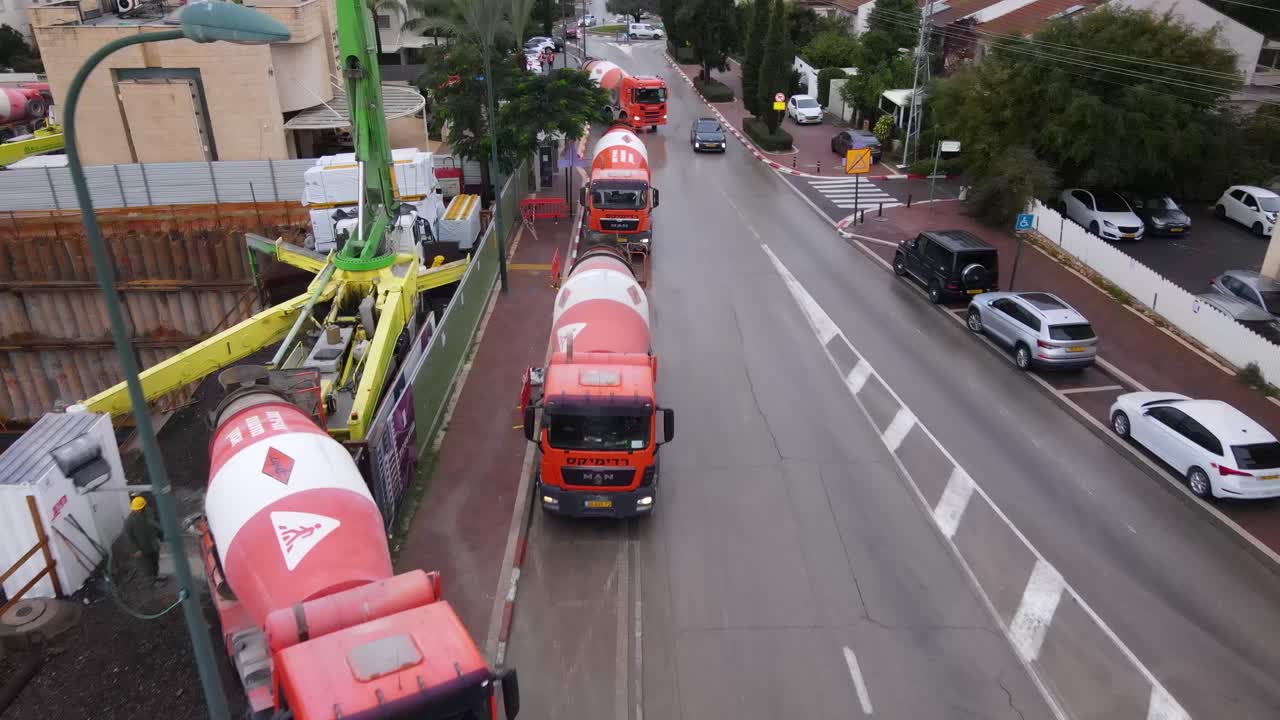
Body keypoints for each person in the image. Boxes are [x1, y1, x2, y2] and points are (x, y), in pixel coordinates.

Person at [125, 495, 166, 585]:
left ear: (144, 507)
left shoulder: (149, 512)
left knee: (155, 562)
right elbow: (129, 537)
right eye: (136, 509)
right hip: (142, 549)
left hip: (153, 545)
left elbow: (156, 524)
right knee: (147, 567)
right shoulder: (129, 522)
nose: (137, 510)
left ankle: (156, 576)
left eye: (139, 508)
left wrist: (161, 536)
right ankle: (152, 583)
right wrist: (135, 550)